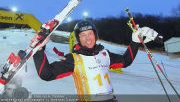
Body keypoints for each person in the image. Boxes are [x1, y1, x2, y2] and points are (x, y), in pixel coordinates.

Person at [31, 20, 162, 102]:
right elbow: (46, 74)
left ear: (95, 35)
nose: (87, 38)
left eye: (90, 34)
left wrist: (134, 42)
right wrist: (39, 50)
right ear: (78, 39)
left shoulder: (104, 54)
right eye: (83, 35)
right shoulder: (73, 59)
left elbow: (125, 61)